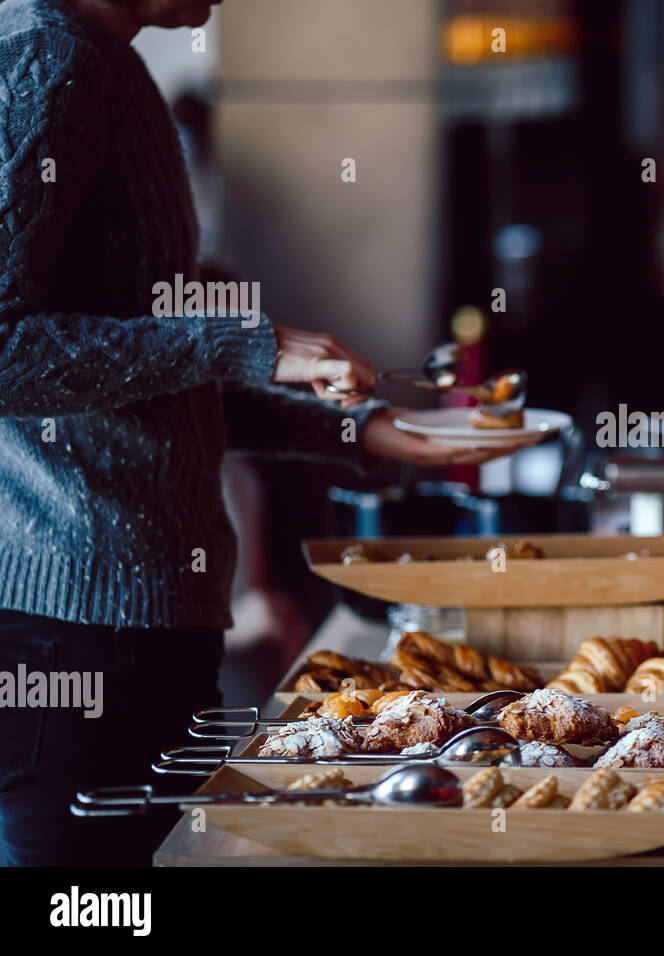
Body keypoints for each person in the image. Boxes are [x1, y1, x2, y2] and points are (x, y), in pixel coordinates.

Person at [0, 0, 520, 865]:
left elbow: (157, 381)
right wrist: (246, 340)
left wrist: (363, 433)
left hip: (151, 627)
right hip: (69, 641)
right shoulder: (47, 58)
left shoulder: (113, 64)